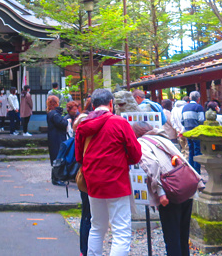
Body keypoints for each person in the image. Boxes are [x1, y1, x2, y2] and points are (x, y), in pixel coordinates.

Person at [75, 88, 142, 256]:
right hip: (117, 182)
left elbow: (78, 157)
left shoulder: (83, 126)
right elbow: (136, 155)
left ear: (93, 105)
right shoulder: (120, 123)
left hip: (93, 183)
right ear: (111, 104)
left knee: (97, 226)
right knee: (121, 230)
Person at [133, 121, 199, 256]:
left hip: (170, 191)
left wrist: (160, 193)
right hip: (186, 186)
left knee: (172, 236)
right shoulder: (162, 137)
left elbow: (152, 165)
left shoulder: (141, 144)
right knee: (183, 235)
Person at [72, 108, 91, 256]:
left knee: (86, 214)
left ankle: (84, 250)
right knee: (89, 216)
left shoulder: (77, 137)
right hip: (89, 177)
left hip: (82, 177)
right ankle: (86, 249)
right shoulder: (88, 138)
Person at [181, 91, 205, 173]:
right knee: (197, 150)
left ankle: (191, 171)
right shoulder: (199, 107)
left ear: (190, 98)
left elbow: (182, 121)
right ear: (199, 99)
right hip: (196, 132)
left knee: (191, 150)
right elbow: (201, 120)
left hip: (188, 132)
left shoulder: (184, 108)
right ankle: (197, 171)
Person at [46, 95, 68, 166]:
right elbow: (62, 123)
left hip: (53, 138)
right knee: (58, 157)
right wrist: (67, 121)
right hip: (58, 138)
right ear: (56, 103)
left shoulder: (50, 113)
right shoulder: (55, 114)